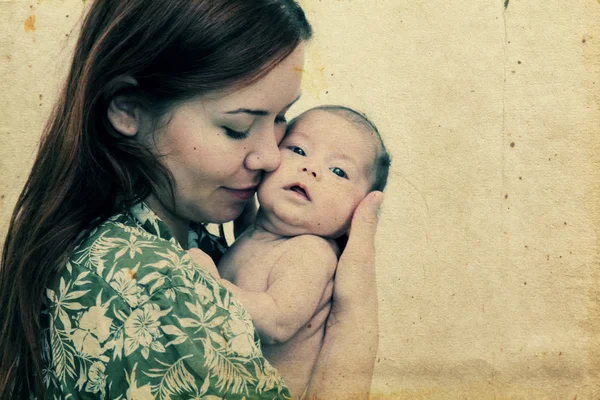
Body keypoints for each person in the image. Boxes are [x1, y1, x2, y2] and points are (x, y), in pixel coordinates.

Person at [0, 0, 384, 399]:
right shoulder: (156, 287)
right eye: (237, 127)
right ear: (129, 110)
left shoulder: (187, 239)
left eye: (281, 118)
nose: (272, 156)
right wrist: (352, 324)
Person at [214, 105, 391, 398]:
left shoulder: (311, 252)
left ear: (357, 216)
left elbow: (276, 322)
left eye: (339, 171)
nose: (310, 169)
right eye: (298, 150)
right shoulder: (258, 233)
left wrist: (207, 284)